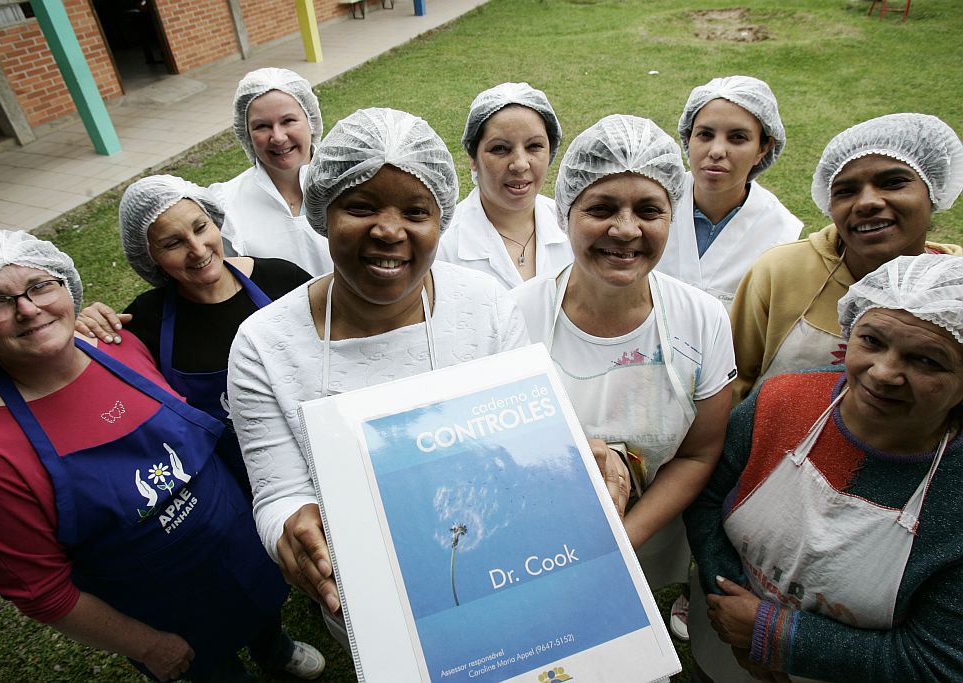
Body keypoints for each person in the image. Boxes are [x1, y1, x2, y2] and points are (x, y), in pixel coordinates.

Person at [228, 108, 617, 647]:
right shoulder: (264, 344)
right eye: (360, 207)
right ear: (323, 211)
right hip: (370, 597)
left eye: (415, 211)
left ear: (441, 220)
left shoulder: (484, 308)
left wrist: (571, 457)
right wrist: (292, 528)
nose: (389, 230)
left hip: (504, 571)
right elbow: (278, 490)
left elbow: (524, 442)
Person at [0, 230, 303, 682]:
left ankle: (275, 648)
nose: (28, 309)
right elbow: (42, 592)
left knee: (265, 614)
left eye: (40, 286)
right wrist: (148, 645)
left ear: (67, 287)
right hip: (167, 616)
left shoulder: (122, 345)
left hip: (242, 552)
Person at [684, 253, 963, 682]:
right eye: (871, 341)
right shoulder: (781, 402)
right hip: (722, 651)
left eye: (926, 361)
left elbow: (937, 659)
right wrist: (728, 605)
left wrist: (771, 635)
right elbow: (705, 501)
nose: (884, 372)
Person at [510, 115, 735, 595]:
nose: (626, 230)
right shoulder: (515, 317)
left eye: (649, 210)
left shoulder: (702, 320)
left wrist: (619, 542)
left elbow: (699, 454)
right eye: (602, 208)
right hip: (533, 537)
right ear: (565, 212)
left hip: (646, 540)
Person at [730, 113, 963, 404]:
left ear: (933, 191)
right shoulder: (781, 271)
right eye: (846, 191)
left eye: (892, 183)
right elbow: (731, 381)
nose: (867, 202)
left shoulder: (957, 291)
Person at [655, 75, 802, 310]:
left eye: (737, 138)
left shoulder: (781, 236)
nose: (717, 151)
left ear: (763, 148)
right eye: (705, 134)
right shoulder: (650, 203)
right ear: (688, 137)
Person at [436, 82, 573, 289]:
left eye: (534, 146)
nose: (519, 164)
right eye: (500, 148)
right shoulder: (442, 246)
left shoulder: (573, 229)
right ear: (472, 157)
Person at [209, 67, 332, 275]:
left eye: (288, 121)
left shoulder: (347, 181)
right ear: (246, 133)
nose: (278, 137)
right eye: (262, 126)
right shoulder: (227, 205)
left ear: (310, 120)